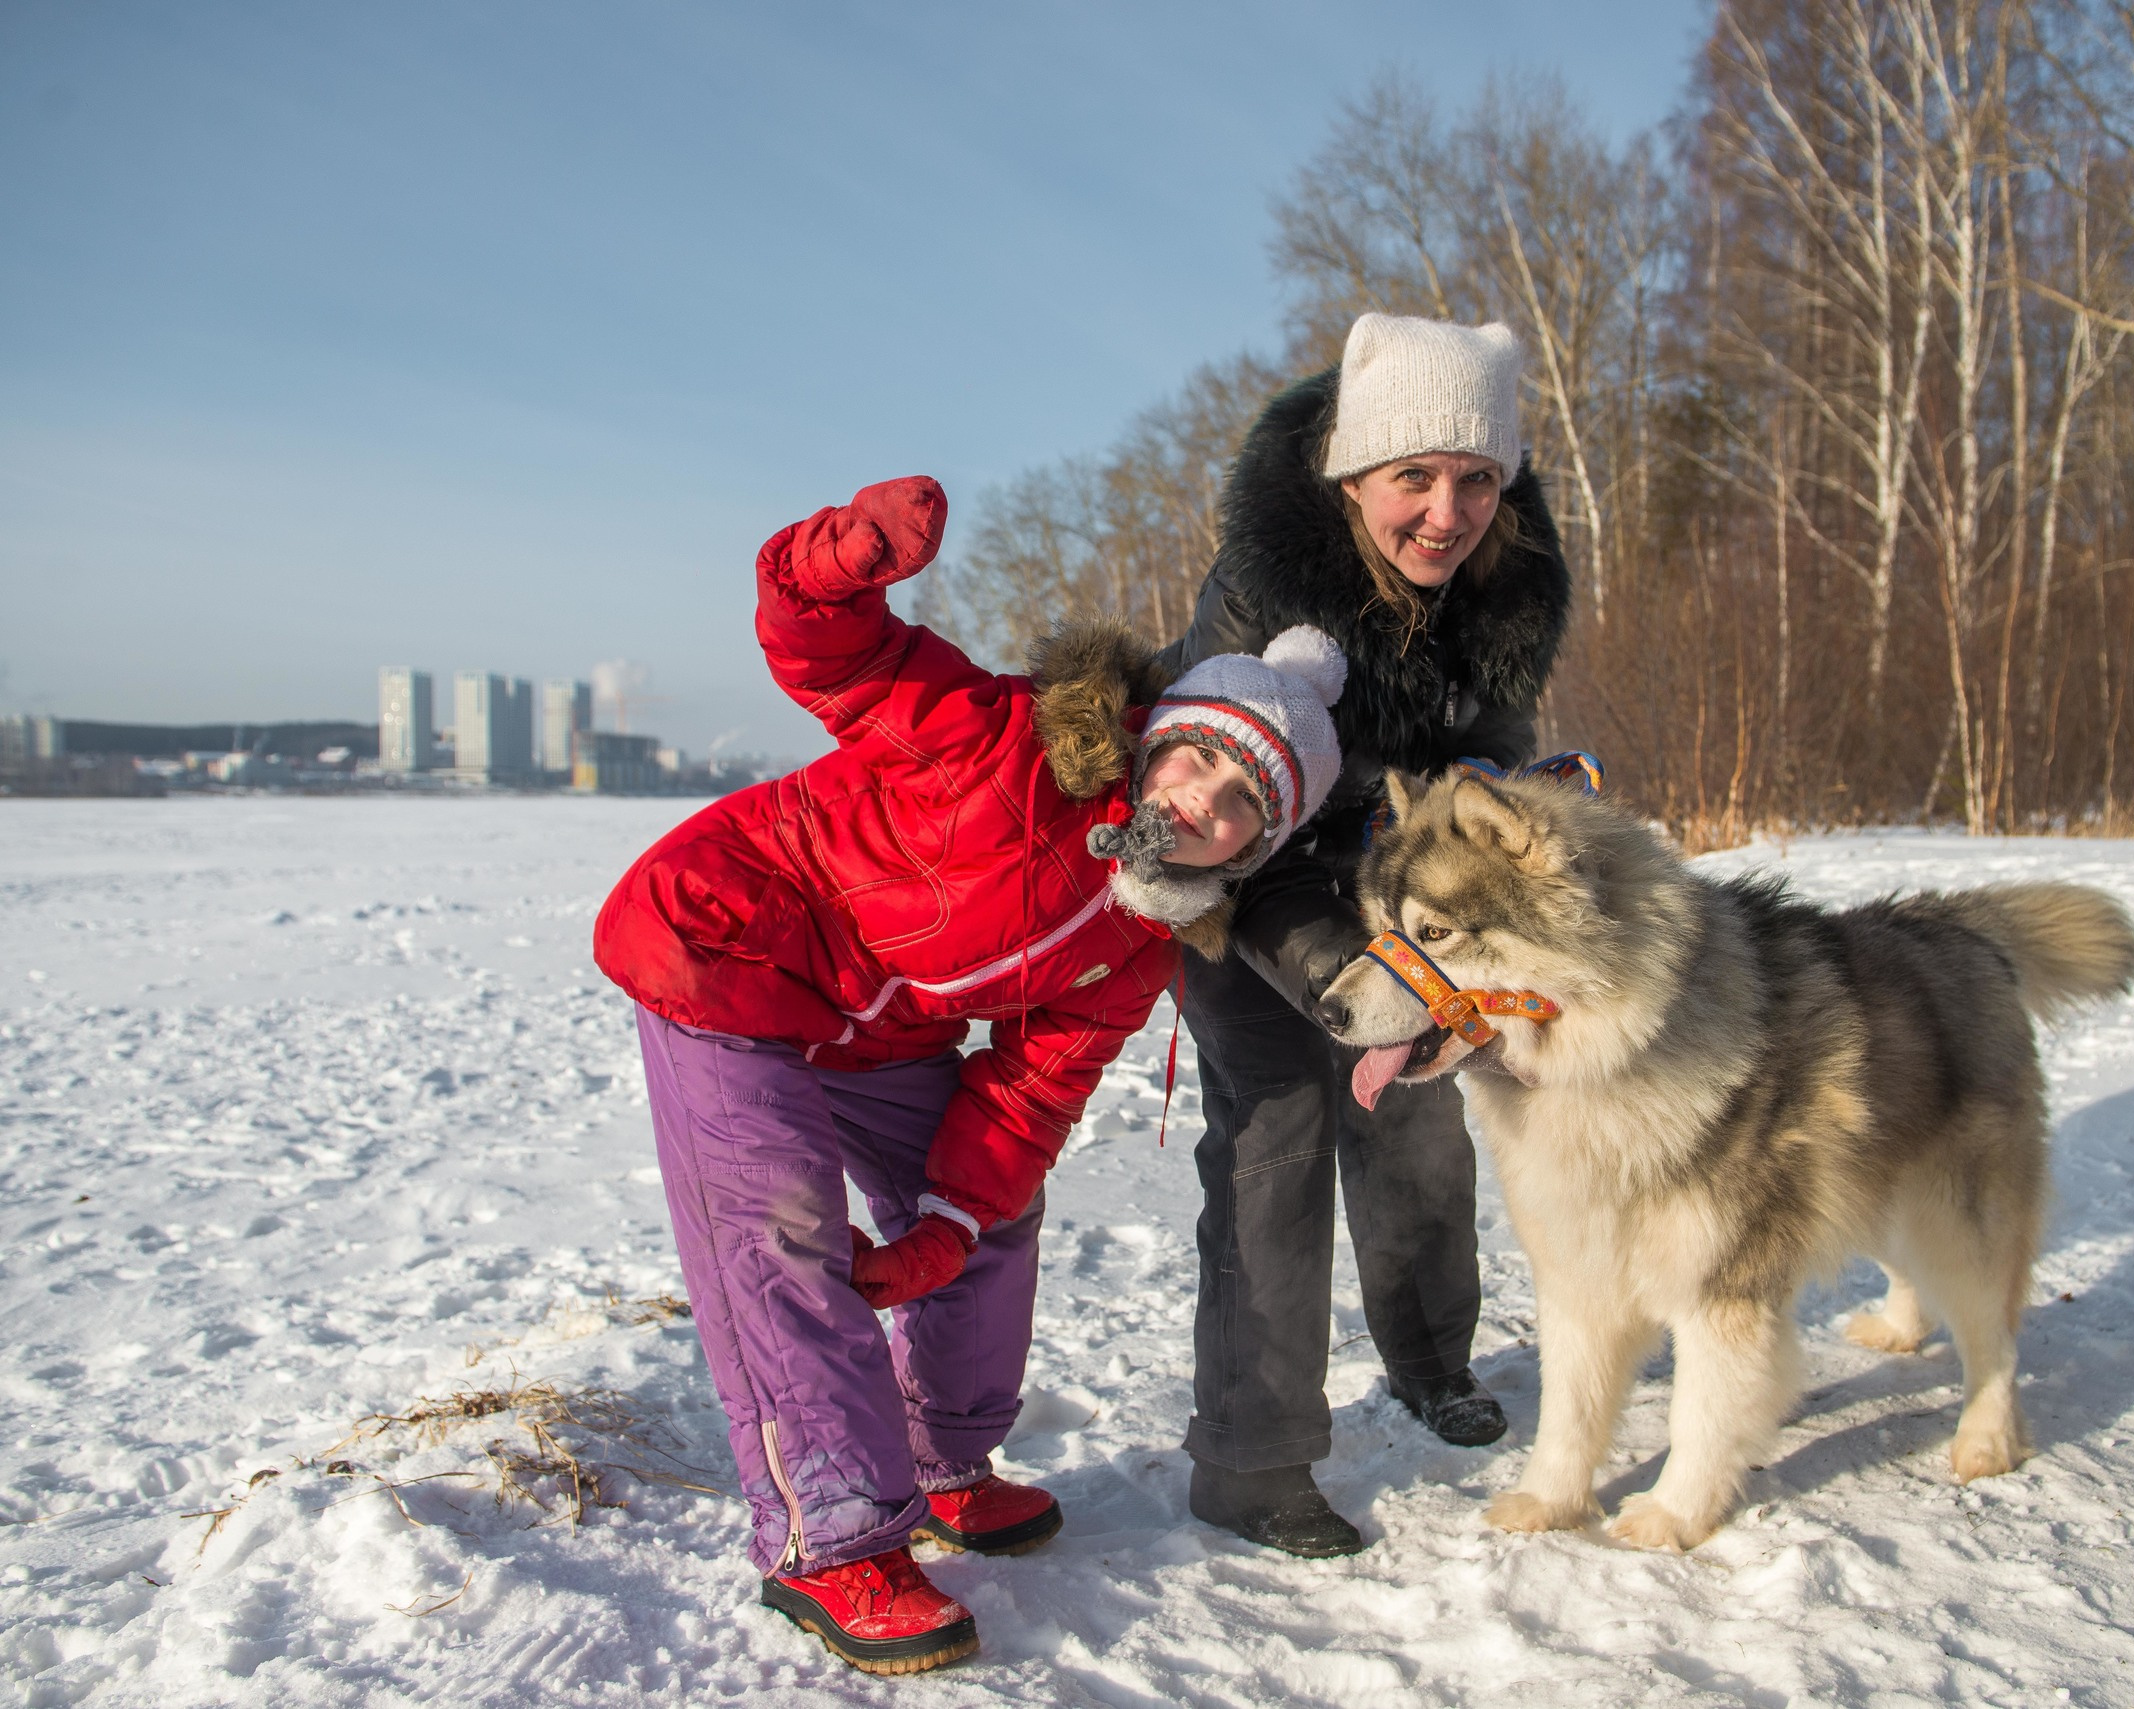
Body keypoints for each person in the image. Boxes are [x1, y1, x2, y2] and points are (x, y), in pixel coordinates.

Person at [592, 476, 1346, 1676]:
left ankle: (946, 1460)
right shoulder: (998, 738)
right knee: (781, 1229)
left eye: (1242, 802)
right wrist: (836, 562)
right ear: (1160, 733)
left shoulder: (1139, 938)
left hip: (877, 1033)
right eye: (1199, 757)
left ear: (1256, 841)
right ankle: (831, 1536)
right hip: (726, 952)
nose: (1199, 799)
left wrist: (941, 1224)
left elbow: (1027, 1094)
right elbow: (832, 654)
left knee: (987, 1210)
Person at [1157, 313, 1572, 1556]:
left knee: (1417, 1124)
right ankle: (1251, 1458)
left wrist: (1518, 819)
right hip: (1242, 885)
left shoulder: (1502, 588)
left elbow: (1492, 755)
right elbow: (1204, 814)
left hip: (1398, 885)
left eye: (1476, 479)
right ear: (1352, 477)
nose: (1445, 512)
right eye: (1414, 479)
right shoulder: (1261, 590)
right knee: (1274, 1147)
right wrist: (1345, 970)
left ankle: (1433, 1359)